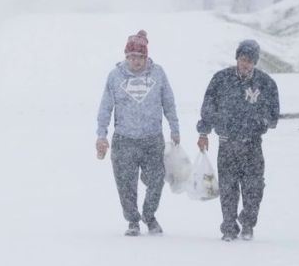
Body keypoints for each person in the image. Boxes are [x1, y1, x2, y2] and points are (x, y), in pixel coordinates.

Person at [96, 29, 181, 237]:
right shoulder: (115, 76)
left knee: (156, 179)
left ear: (146, 57)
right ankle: (133, 220)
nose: (135, 61)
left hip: (152, 139)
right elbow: (105, 107)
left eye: (139, 57)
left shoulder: (158, 74)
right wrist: (101, 134)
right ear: (126, 57)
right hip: (124, 140)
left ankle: (149, 215)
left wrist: (174, 128)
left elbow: (168, 102)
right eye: (131, 57)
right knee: (126, 184)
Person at [196, 39, 280, 242]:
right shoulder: (221, 79)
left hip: (252, 144)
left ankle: (248, 223)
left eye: (250, 61)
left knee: (255, 188)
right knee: (228, 188)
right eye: (243, 59)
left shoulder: (266, 83)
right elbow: (207, 109)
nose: (246, 64)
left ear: (255, 62)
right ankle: (229, 228)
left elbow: (273, 116)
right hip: (227, 144)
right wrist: (203, 133)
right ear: (237, 58)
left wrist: (260, 120)